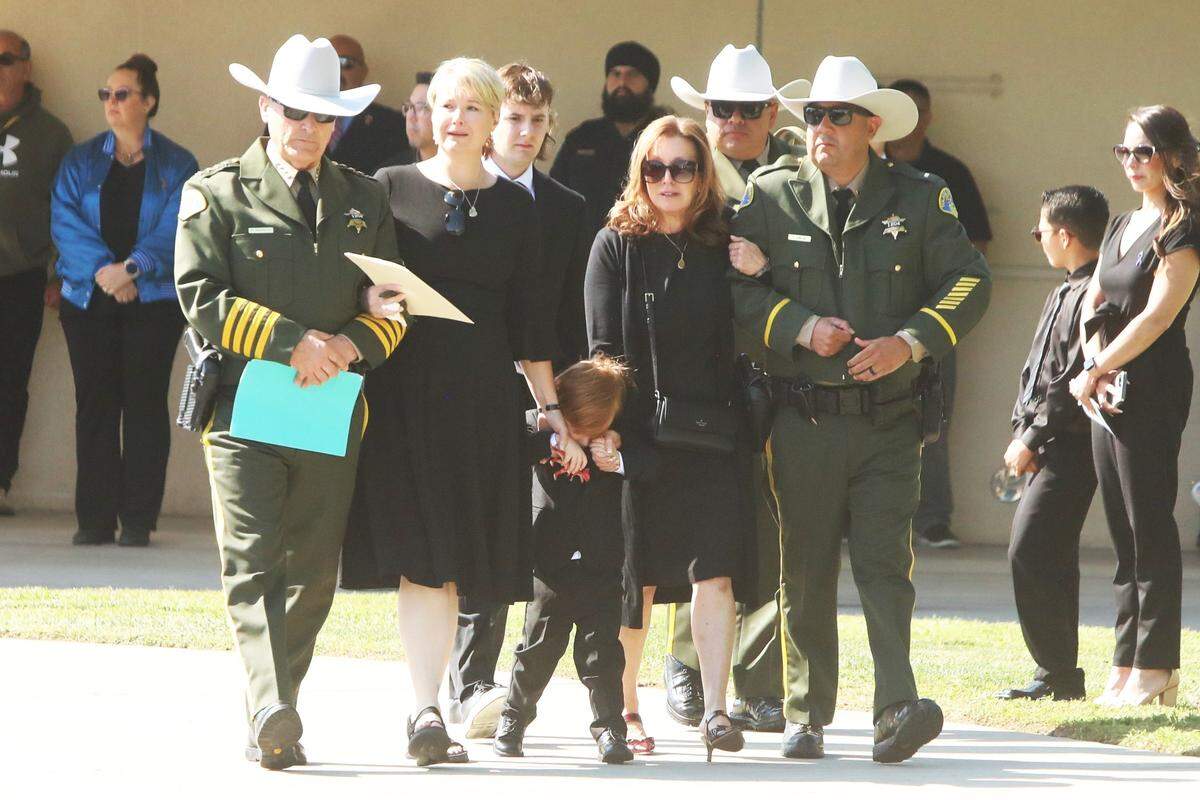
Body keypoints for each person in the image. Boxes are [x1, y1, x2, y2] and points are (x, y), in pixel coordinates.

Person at [730, 56, 991, 762]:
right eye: (813, 114)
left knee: (885, 568)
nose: (821, 127)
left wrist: (910, 342)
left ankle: (895, 708)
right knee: (804, 570)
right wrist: (797, 326)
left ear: (872, 126)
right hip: (803, 418)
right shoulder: (770, 193)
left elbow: (970, 280)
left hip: (889, 420)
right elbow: (734, 289)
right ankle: (805, 714)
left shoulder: (921, 196)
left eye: (837, 116)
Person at [342, 57, 582, 767]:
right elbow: (355, 281)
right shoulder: (388, 187)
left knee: (458, 561)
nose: (455, 119)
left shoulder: (519, 210)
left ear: (491, 121)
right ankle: (425, 708)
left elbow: (533, 325)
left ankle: (442, 702)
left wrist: (552, 411)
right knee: (423, 558)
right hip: (404, 397)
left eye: (471, 108)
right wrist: (366, 301)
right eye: (444, 105)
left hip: (483, 404)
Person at [175, 34, 405, 770]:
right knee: (252, 563)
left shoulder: (365, 198)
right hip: (243, 406)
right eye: (295, 112)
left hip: (329, 405)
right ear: (265, 108)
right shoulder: (215, 192)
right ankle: (271, 704)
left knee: (311, 571)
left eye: (323, 116)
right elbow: (199, 294)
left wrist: (350, 345)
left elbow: (394, 304)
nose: (308, 128)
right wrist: (291, 342)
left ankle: (275, 712)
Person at [586, 114, 750, 761]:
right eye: (655, 167)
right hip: (637, 436)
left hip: (712, 434)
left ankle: (715, 710)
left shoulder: (724, 243)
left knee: (715, 573)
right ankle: (627, 707)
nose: (668, 179)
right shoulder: (616, 244)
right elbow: (602, 349)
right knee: (640, 581)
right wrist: (604, 433)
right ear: (640, 172)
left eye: (683, 167)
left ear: (703, 173)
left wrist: (757, 266)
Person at [660, 43, 803, 733]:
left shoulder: (802, 175)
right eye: (723, 108)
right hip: (701, 377)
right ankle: (686, 663)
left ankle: (759, 680)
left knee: (773, 527)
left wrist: (768, 266)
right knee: (698, 521)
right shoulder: (680, 167)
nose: (735, 120)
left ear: (772, 112)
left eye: (749, 109)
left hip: (778, 370)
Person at [447, 61, 591, 739]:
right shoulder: (455, 192)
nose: (525, 131)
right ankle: (472, 682)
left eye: (537, 120)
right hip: (468, 384)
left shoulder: (566, 207)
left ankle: (515, 688)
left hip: (546, 390)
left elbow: (570, 313)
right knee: (479, 528)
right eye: (513, 117)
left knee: (535, 537)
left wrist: (567, 402)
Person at [1073, 105, 1200, 707]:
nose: (1131, 162)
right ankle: (1125, 661)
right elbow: (1093, 299)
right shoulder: (1123, 223)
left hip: (1152, 383)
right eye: (1123, 151)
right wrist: (1092, 367)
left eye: (1143, 151)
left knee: (1149, 523)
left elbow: (1157, 316)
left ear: (1173, 155)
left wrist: (1099, 366)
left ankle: (1157, 666)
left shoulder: (1183, 225)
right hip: (1107, 384)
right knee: (1121, 530)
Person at [50, 53, 197, 546]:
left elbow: (179, 225)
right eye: (105, 94)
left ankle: (137, 519)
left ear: (148, 101)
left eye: (121, 94)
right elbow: (64, 221)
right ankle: (94, 519)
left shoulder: (178, 163)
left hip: (153, 302)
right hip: (88, 300)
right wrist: (106, 272)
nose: (110, 102)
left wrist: (133, 268)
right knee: (94, 404)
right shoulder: (80, 160)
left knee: (144, 405)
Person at [493, 356, 641, 765]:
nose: (583, 437)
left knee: (602, 654)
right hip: (551, 563)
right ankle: (514, 717)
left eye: (592, 429)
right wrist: (555, 440)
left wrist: (614, 449)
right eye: (577, 427)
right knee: (538, 649)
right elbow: (508, 445)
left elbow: (649, 459)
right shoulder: (536, 428)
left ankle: (610, 728)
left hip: (601, 563)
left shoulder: (609, 439)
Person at [998, 186, 1107, 703]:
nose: (1038, 238)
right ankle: (1060, 673)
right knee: (1053, 553)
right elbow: (1037, 371)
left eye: (1040, 230)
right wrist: (1022, 429)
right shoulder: (1064, 289)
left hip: (1072, 444)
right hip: (1048, 442)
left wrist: (1032, 435)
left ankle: (1055, 668)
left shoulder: (1094, 293)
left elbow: (1070, 379)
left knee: (1030, 548)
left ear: (1064, 235)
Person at [885, 78, 993, 550]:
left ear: (928, 117)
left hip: (931, 322)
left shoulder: (949, 173)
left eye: (917, 110)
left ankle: (931, 519)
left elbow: (978, 248)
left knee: (932, 419)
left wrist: (942, 300)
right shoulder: (864, 168)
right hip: (867, 320)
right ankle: (853, 520)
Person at [0, 30, 72, 516]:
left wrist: (61, 273)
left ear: (26, 68)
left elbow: (69, 211)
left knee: (8, 384)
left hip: (19, 277)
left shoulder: (50, 135)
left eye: (4, 59)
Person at [551, 41, 668, 235]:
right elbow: (553, 196)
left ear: (650, 84)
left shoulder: (663, 138)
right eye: (615, 74)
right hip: (583, 249)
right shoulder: (582, 137)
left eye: (632, 74)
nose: (622, 83)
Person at [321, 35, 407, 174]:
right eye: (328, 63)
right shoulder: (298, 118)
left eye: (345, 63)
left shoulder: (393, 124)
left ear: (363, 71)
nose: (336, 71)